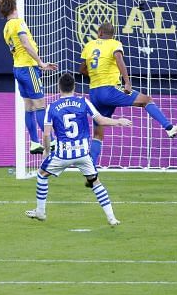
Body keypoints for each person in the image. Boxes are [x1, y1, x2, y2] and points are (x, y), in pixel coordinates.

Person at [25, 73, 131, 226]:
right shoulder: (83, 102)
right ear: (74, 87)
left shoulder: (52, 107)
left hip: (62, 155)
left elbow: (46, 134)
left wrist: (47, 152)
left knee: (41, 174)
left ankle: (40, 211)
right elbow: (100, 120)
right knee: (95, 182)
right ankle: (111, 217)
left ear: (58, 88)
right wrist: (118, 121)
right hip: (82, 153)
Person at [79, 22, 177, 166]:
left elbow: (82, 69)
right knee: (146, 100)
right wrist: (127, 82)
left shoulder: (89, 45)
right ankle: (169, 128)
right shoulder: (115, 43)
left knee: (98, 133)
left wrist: (96, 74)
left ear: (99, 32)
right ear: (113, 34)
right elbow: (119, 58)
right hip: (110, 89)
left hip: (94, 92)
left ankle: (91, 168)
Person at [0, 0, 58, 155]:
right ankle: (50, 142)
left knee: (29, 107)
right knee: (40, 105)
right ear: (15, 7)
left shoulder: (6, 27)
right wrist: (41, 63)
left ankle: (34, 143)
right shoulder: (18, 23)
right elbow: (25, 44)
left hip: (18, 68)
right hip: (29, 68)